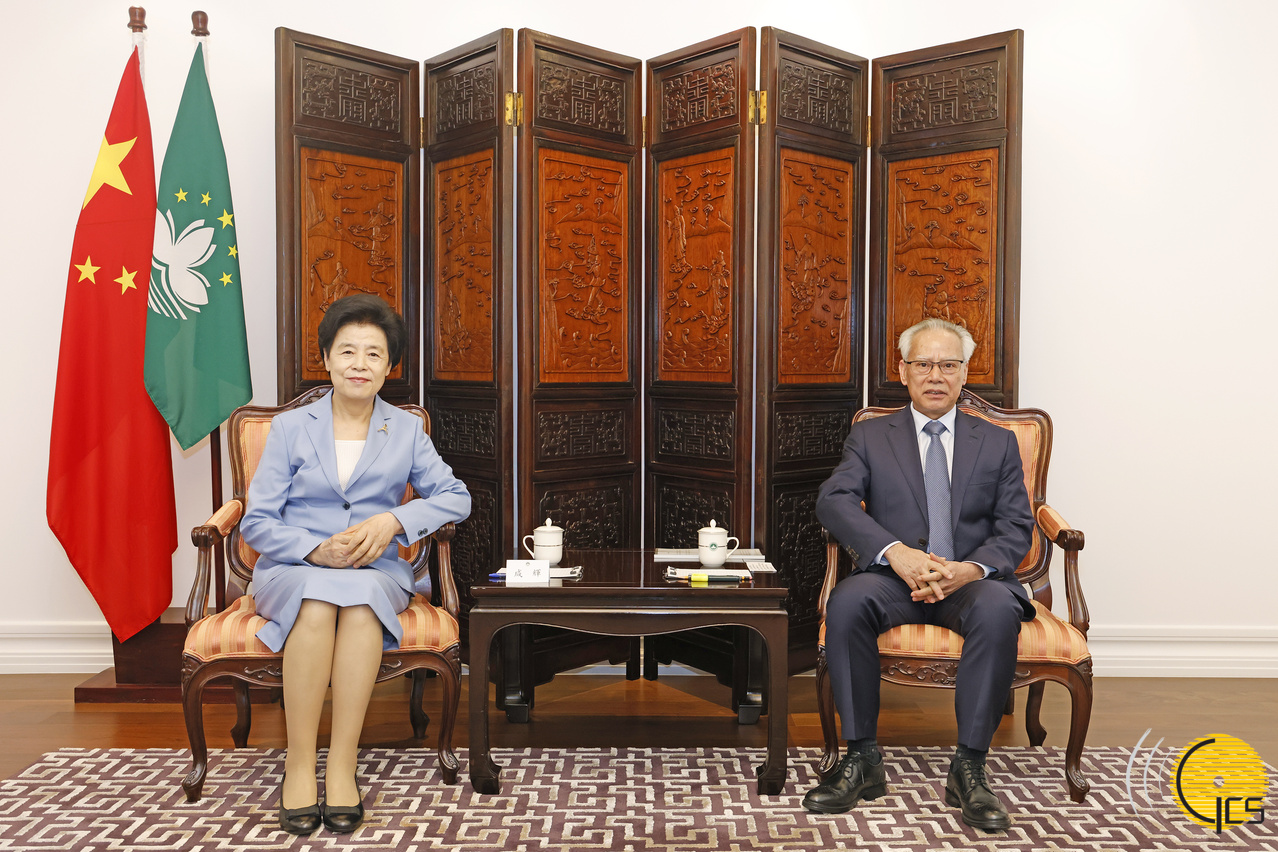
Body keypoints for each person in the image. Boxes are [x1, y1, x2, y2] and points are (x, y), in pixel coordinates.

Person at [241, 294, 470, 835]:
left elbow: (455, 497)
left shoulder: (406, 430)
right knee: (317, 603)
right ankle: (300, 764)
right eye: (347, 351)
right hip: (294, 568)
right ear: (326, 359)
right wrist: (313, 550)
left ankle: (343, 766)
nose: (359, 364)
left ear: (390, 367)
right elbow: (256, 521)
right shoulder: (290, 428)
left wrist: (394, 521)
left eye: (373, 354)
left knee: (363, 604)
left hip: (374, 571)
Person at [802, 317, 1034, 832]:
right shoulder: (870, 435)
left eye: (948, 365)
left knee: (998, 610)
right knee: (847, 601)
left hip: (970, 583)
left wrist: (969, 569)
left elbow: (1016, 526)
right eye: (923, 364)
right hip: (893, 578)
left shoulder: (997, 442)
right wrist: (895, 553)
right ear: (903, 371)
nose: (935, 376)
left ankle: (969, 768)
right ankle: (861, 759)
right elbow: (834, 500)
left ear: (964, 373)